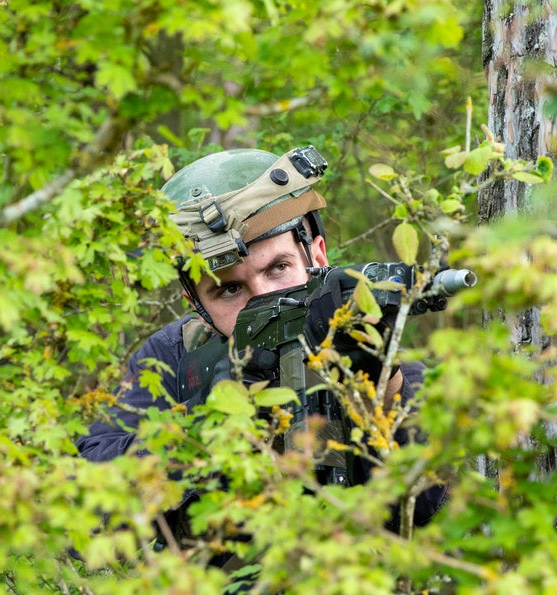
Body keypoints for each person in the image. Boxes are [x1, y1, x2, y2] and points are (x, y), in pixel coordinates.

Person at [77, 145, 447, 534]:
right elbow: (82, 497)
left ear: (317, 257)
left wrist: (382, 389)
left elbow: (432, 512)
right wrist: (211, 417)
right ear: (196, 304)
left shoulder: (368, 344)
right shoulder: (171, 358)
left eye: (279, 268)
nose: (261, 298)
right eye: (230, 290)